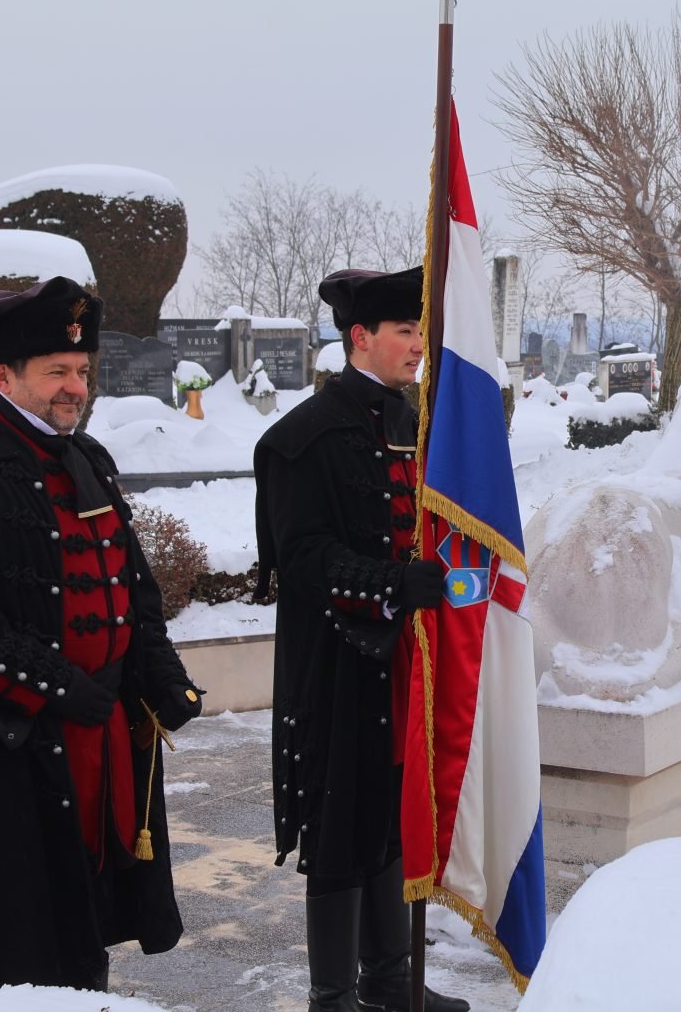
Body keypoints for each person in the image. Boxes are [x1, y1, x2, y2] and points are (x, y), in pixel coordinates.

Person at [0, 276, 204, 1008]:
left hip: (97, 747)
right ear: (3, 376)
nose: (74, 387)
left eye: (82, 372)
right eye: (56, 372)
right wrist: (58, 685)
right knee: (14, 934)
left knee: (87, 917)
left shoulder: (87, 459)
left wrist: (160, 678)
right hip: (4, 750)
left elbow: (133, 586)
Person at [254, 266, 468, 1012]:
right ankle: (334, 997)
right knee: (341, 832)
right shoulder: (302, 437)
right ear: (360, 338)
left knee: (394, 816)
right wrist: (387, 584)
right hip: (338, 664)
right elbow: (301, 557)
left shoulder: (418, 427)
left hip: (407, 658)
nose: (417, 345)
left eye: (420, 331)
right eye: (404, 331)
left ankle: (389, 981)